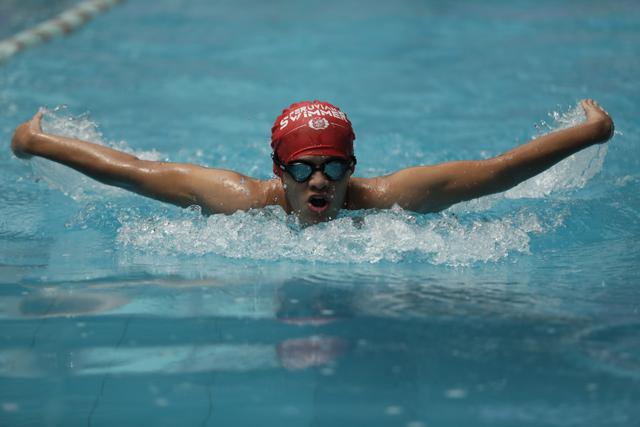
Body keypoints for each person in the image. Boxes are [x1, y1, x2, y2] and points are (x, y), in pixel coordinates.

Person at [11, 99, 614, 226]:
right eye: (303, 169)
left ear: (353, 167)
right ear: (280, 173)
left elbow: (500, 170)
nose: (320, 181)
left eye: (333, 167)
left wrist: (592, 132)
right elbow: (132, 170)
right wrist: (37, 143)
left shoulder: (392, 197)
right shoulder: (238, 198)